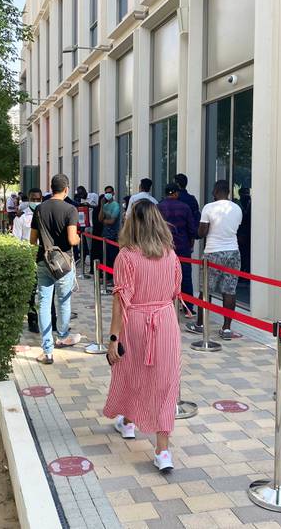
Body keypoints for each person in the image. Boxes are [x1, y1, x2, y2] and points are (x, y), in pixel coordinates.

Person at [103, 199, 182, 472]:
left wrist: (113, 338)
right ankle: (162, 451)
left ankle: (128, 423)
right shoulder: (170, 254)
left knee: (132, 372)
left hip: (135, 321)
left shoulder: (126, 256)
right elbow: (175, 291)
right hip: (166, 322)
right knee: (166, 382)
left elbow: (120, 301)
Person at [30, 175, 82, 364]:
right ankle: (63, 336)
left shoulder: (39, 209)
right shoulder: (70, 209)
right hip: (64, 263)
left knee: (44, 303)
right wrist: (79, 239)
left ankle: (47, 350)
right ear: (66, 189)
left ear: (51, 188)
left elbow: (32, 239)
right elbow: (71, 239)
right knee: (64, 301)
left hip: (44, 261)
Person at [185, 180, 243, 340]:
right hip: (233, 252)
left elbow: (202, 232)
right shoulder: (237, 208)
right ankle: (226, 328)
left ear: (215, 191)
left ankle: (201, 324)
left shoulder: (209, 208)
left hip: (213, 252)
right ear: (229, 192)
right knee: (229, 290)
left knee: (206, 290)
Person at [158, 183, 198, 315]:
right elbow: (192, 229)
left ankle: (166, 306)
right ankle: (188, 308)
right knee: (186, 277)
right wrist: (191, 242)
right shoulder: (185, 207)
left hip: (164, 248)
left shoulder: (159, 207)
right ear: (176, 193)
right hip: (183, 248)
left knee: (165, 277)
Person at [19, 188, 44, 333]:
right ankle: (32, 319)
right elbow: (17, 239)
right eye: (33, 199)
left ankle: (50, 319)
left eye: (38, 199)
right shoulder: (21, 217)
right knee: (32, 291)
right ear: (28, 199)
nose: (36, 202)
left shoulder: (45, 214)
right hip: (29, 258)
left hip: (44, 258)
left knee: (46, 291)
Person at [99, 185, 122, 281]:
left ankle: (113, 278)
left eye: (109, 192)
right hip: (105, 235)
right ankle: (106, 276)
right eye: (106, 192)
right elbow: (100, 219)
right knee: (105, 257)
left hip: (113, 235)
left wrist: (105, 220)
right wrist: (101, 206)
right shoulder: (105, 205)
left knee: (112, 257)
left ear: (113, 193)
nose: (107, 194)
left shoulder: (116, 205)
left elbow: (112, 221)